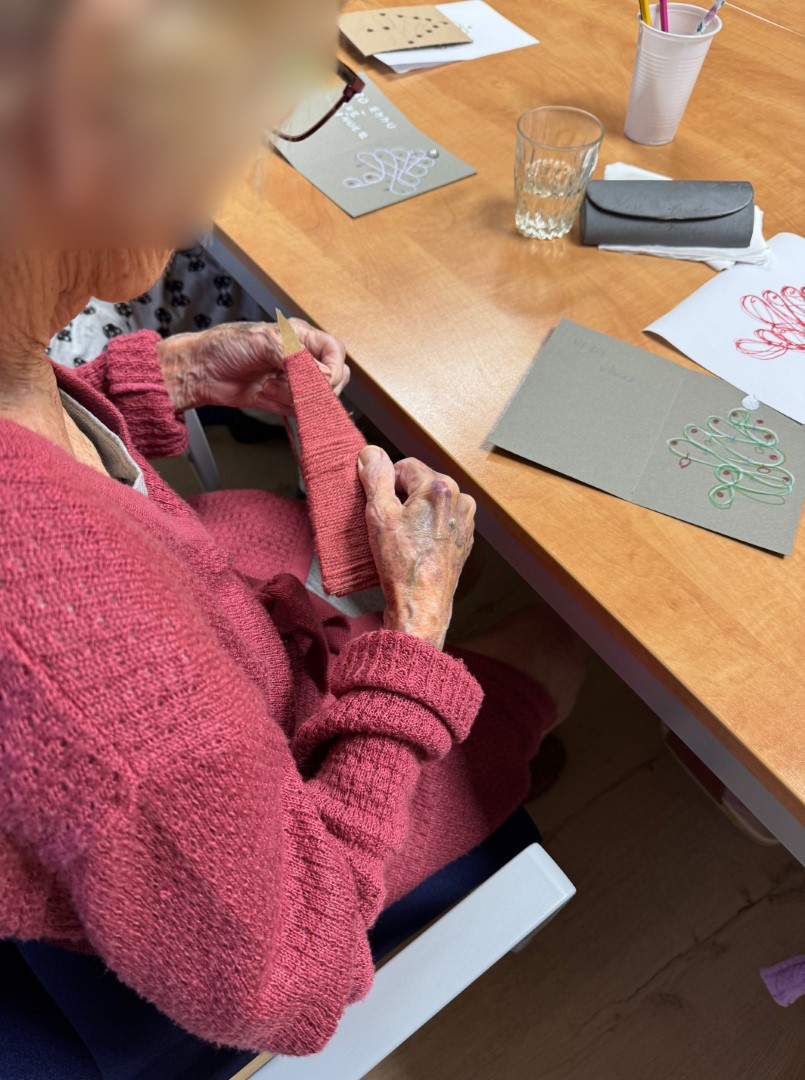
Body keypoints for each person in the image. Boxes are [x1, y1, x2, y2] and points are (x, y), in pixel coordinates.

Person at [0, 0, 584, 1059]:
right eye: (231, 125)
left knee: (266, 517)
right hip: (259, 894)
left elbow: (30, 420)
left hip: (181, 676)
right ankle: (507, 759)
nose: (211, 203)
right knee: (561, 643)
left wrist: (160, 377)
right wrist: (414, 639)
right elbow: (285, 984)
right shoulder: (66, 638)